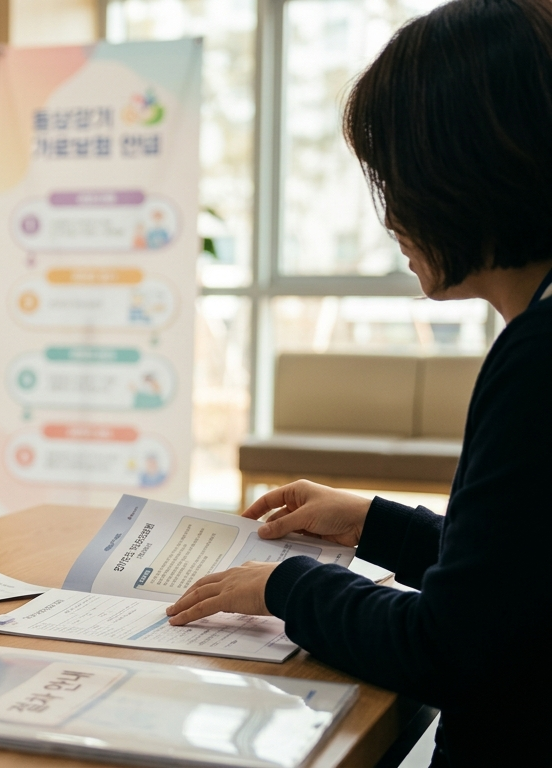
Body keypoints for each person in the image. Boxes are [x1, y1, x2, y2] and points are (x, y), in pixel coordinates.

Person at [164, 1, 551, 764]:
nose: (390, 217)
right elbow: (515, 579)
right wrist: (375, 523)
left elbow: (450, 647)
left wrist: (285, 589)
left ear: (461, 172)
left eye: (395, 180)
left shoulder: (538, 360)